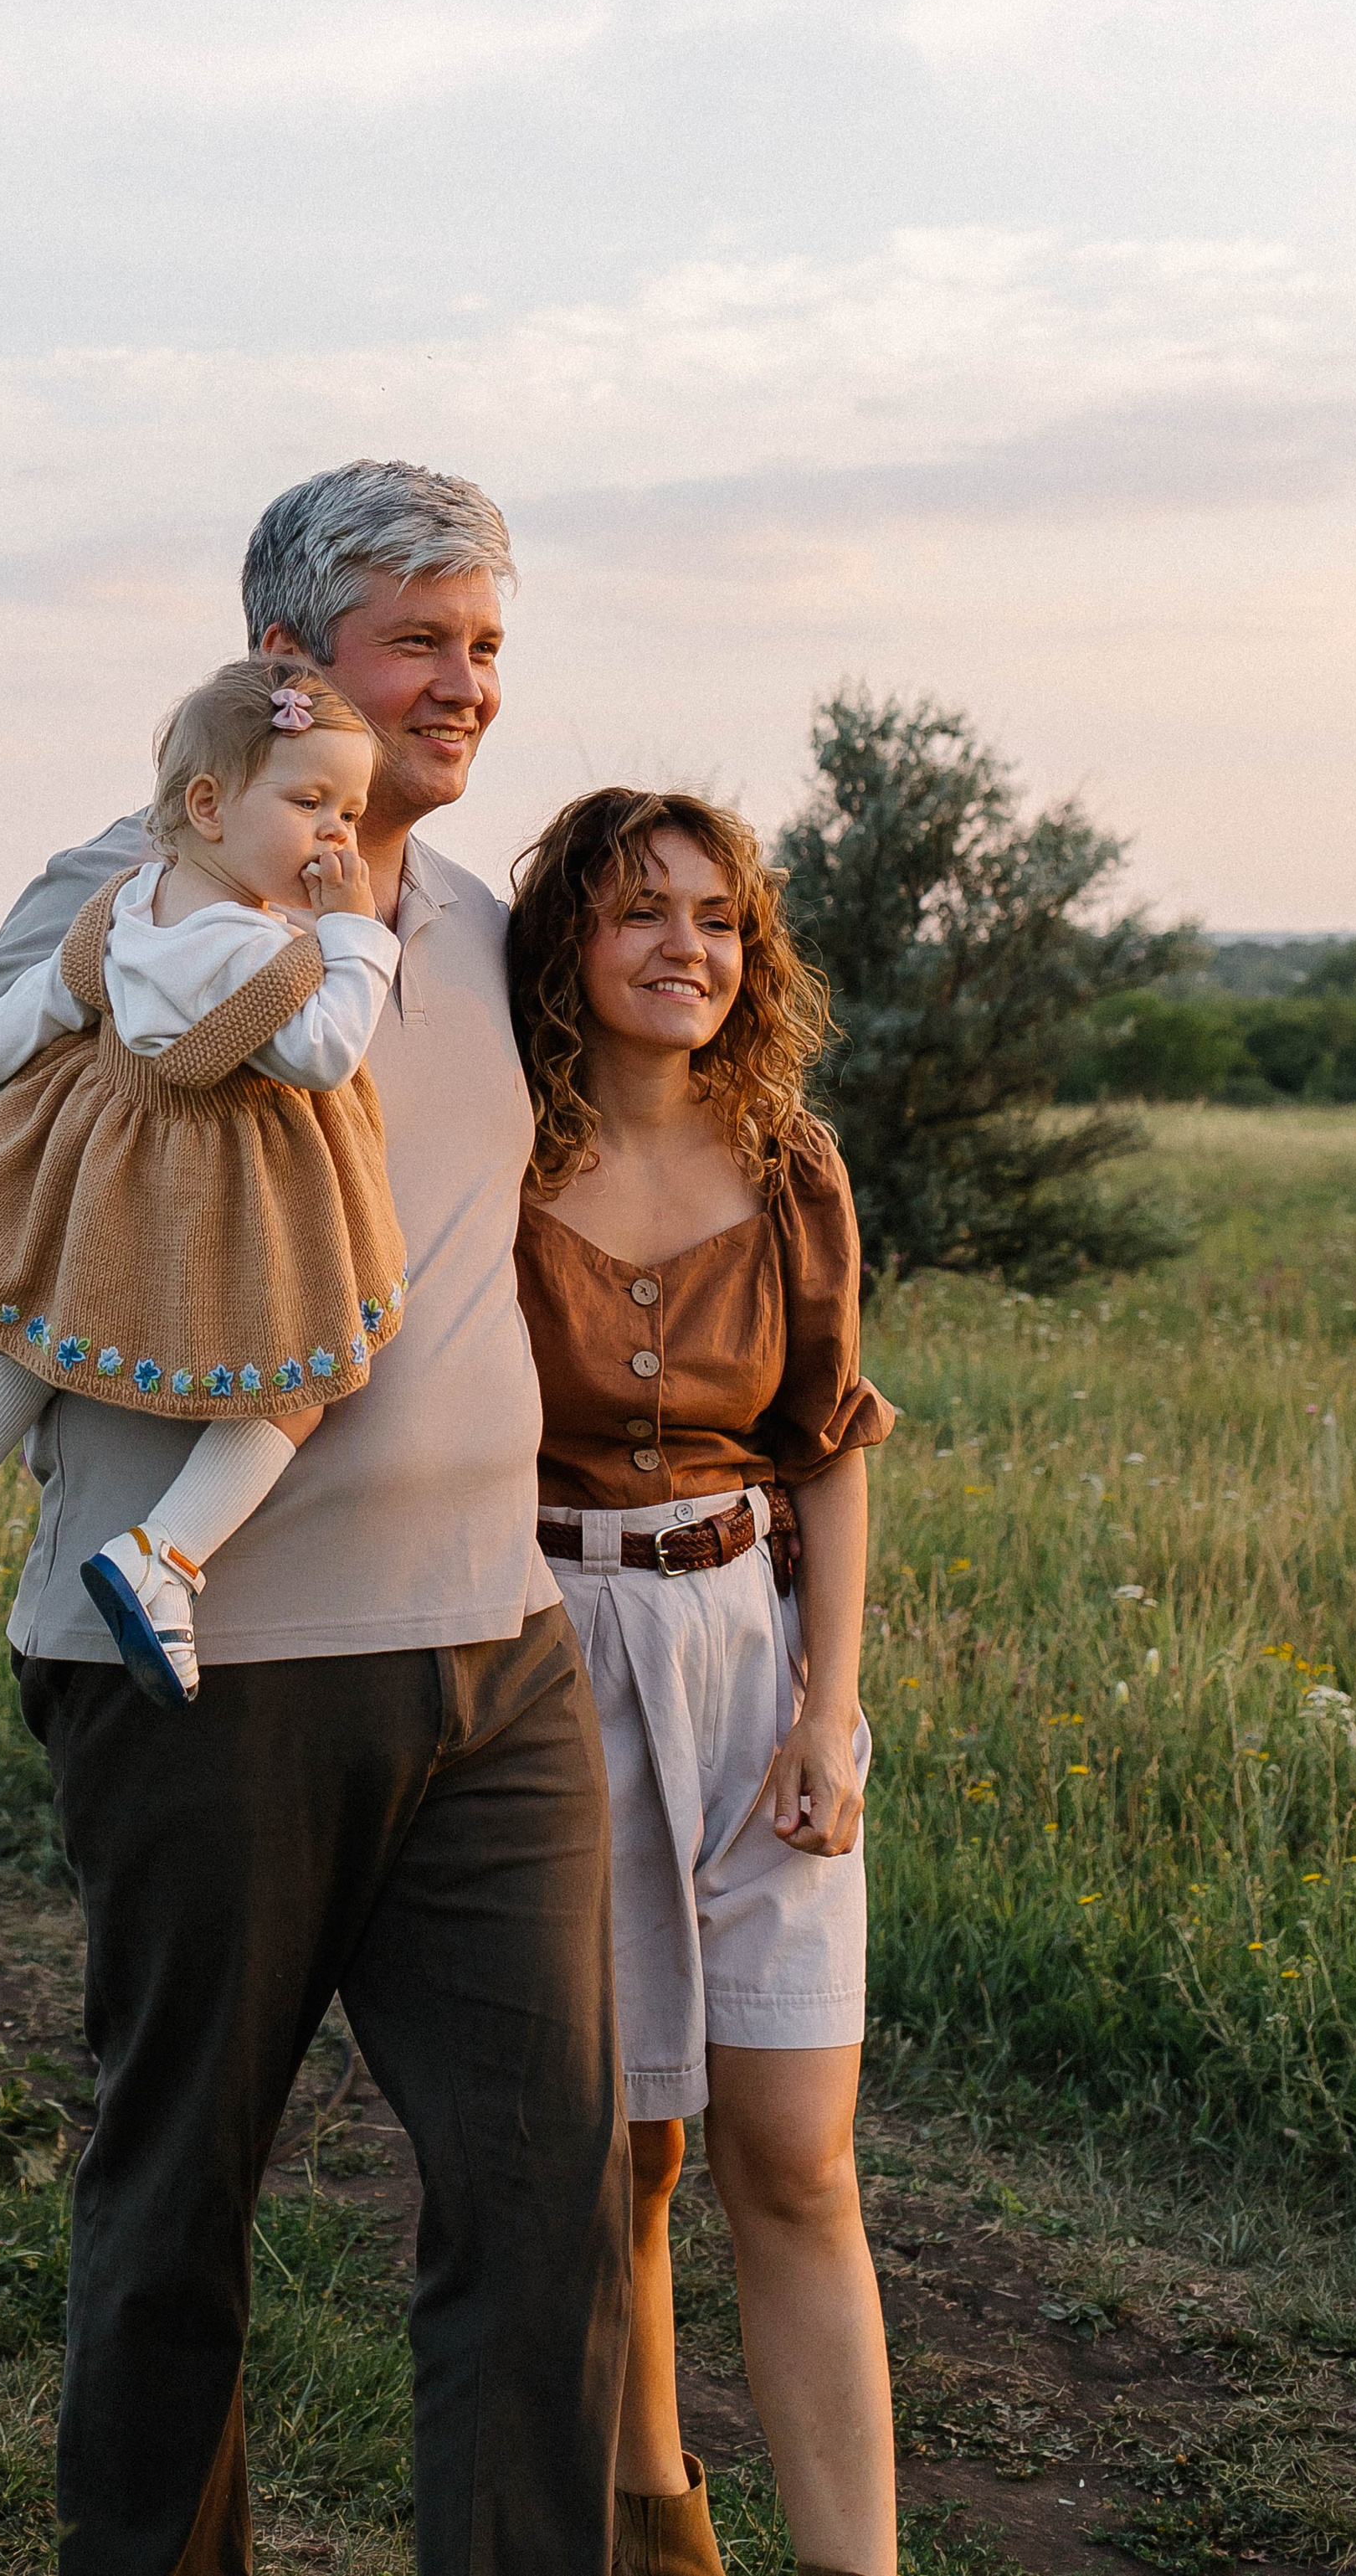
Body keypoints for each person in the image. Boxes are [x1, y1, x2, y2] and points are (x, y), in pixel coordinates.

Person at [0, 462, 629, 2576]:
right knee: (177, 2188)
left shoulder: (477, 929)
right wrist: (231, 1327)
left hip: (495, 1653)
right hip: (202, 1667)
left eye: (486, 642)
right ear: (290, 663)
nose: (465, 684)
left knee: (538, 2190)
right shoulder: (124, 897)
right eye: (422, 642)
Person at [507, 789, 899, 2576]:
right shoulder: (492, 1158)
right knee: (617, 2154)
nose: (685, 949)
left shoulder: (790, 1161)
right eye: (638, 913)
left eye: (718, 920)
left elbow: (825, 1445)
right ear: (567, 948)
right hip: (548, 1652)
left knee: (795, 2155)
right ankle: (659, 2518)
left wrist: (826, 1712)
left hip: (751, 1654)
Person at [0, 656, 404, 1707]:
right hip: (223, 1201)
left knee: (39, 1332)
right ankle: (162, 1556)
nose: (336, 836)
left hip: (109, 1184)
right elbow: (324, 1052)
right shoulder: (261, 950)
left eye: (348, 809)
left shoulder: (121, 912)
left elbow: (33, 1012)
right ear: (206, 806)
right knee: (304, 1383)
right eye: (308, 804)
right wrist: (355, 933)